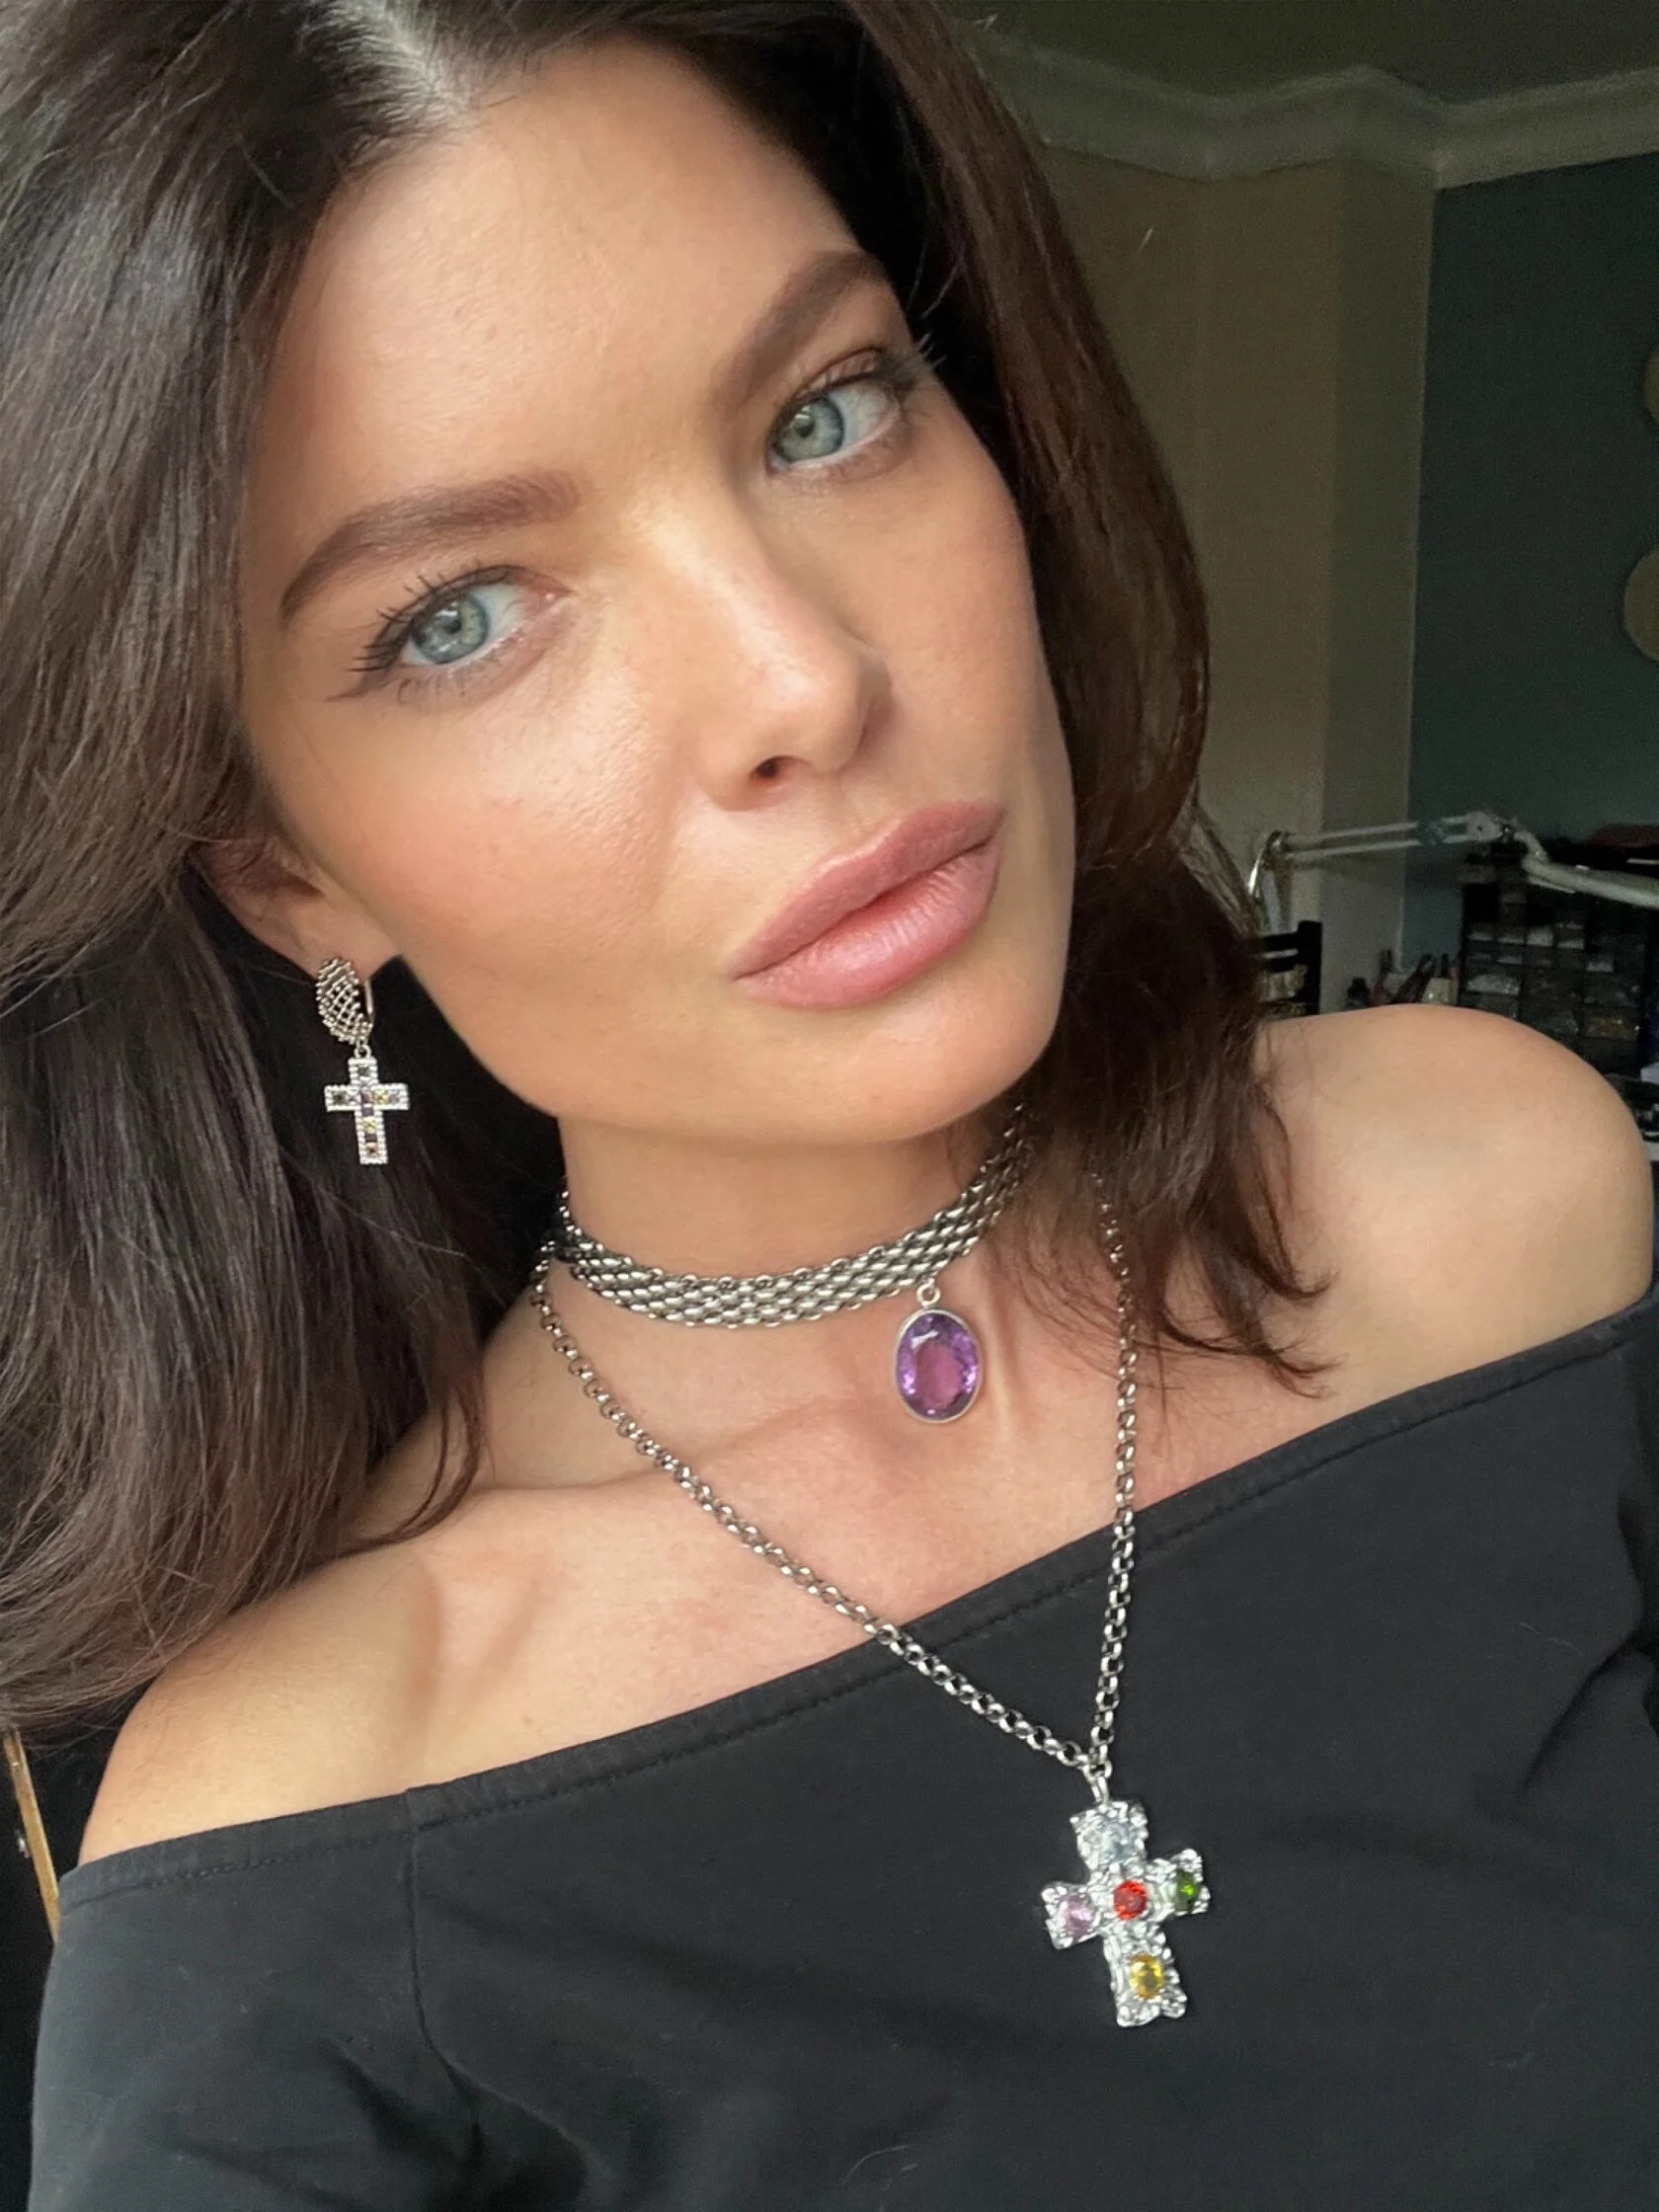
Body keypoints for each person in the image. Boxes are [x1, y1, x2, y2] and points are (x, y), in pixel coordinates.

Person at [4, 2, 1657, 2205]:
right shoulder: (304, 1823)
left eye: (828, 410)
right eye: (463, 616)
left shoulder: (1498, 1202)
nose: (804, 676)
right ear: (283, 864)